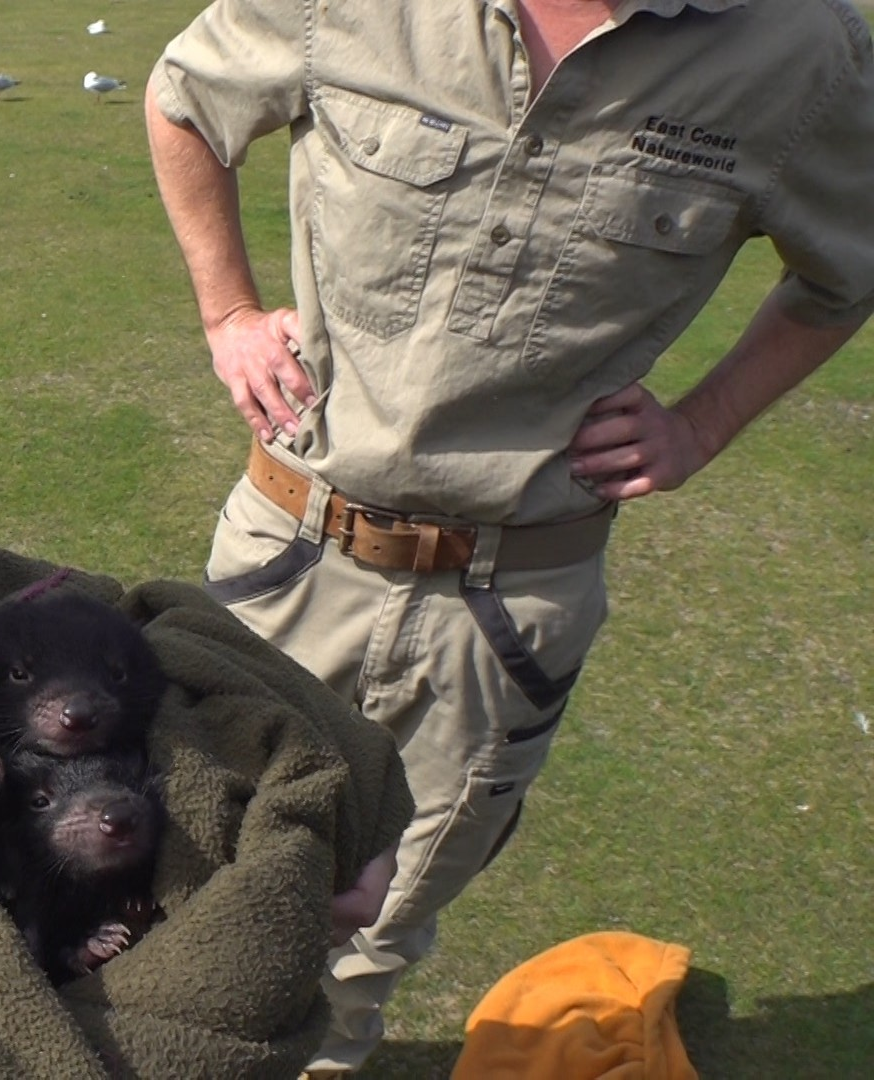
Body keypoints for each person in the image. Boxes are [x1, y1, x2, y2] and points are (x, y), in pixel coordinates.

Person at [144, 0, 874, 1074]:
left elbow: (845, 272)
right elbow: (184, 101)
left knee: (367, 933)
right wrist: (228, 315)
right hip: (287, 560)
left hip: (505, 616)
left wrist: (703, 425)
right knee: (179, 877)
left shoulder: (803, 48)